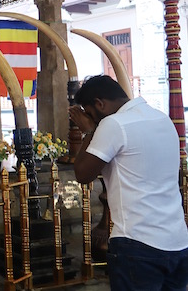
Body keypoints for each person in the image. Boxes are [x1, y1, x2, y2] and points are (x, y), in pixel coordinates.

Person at [68, 75, 188, 290]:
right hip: (177, 241)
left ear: (99, 104)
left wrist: (89, 131)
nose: (92, 119)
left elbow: (82, 174)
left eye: (90, 113)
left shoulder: (114, 124)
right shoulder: (161, 118)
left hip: (138, 244)